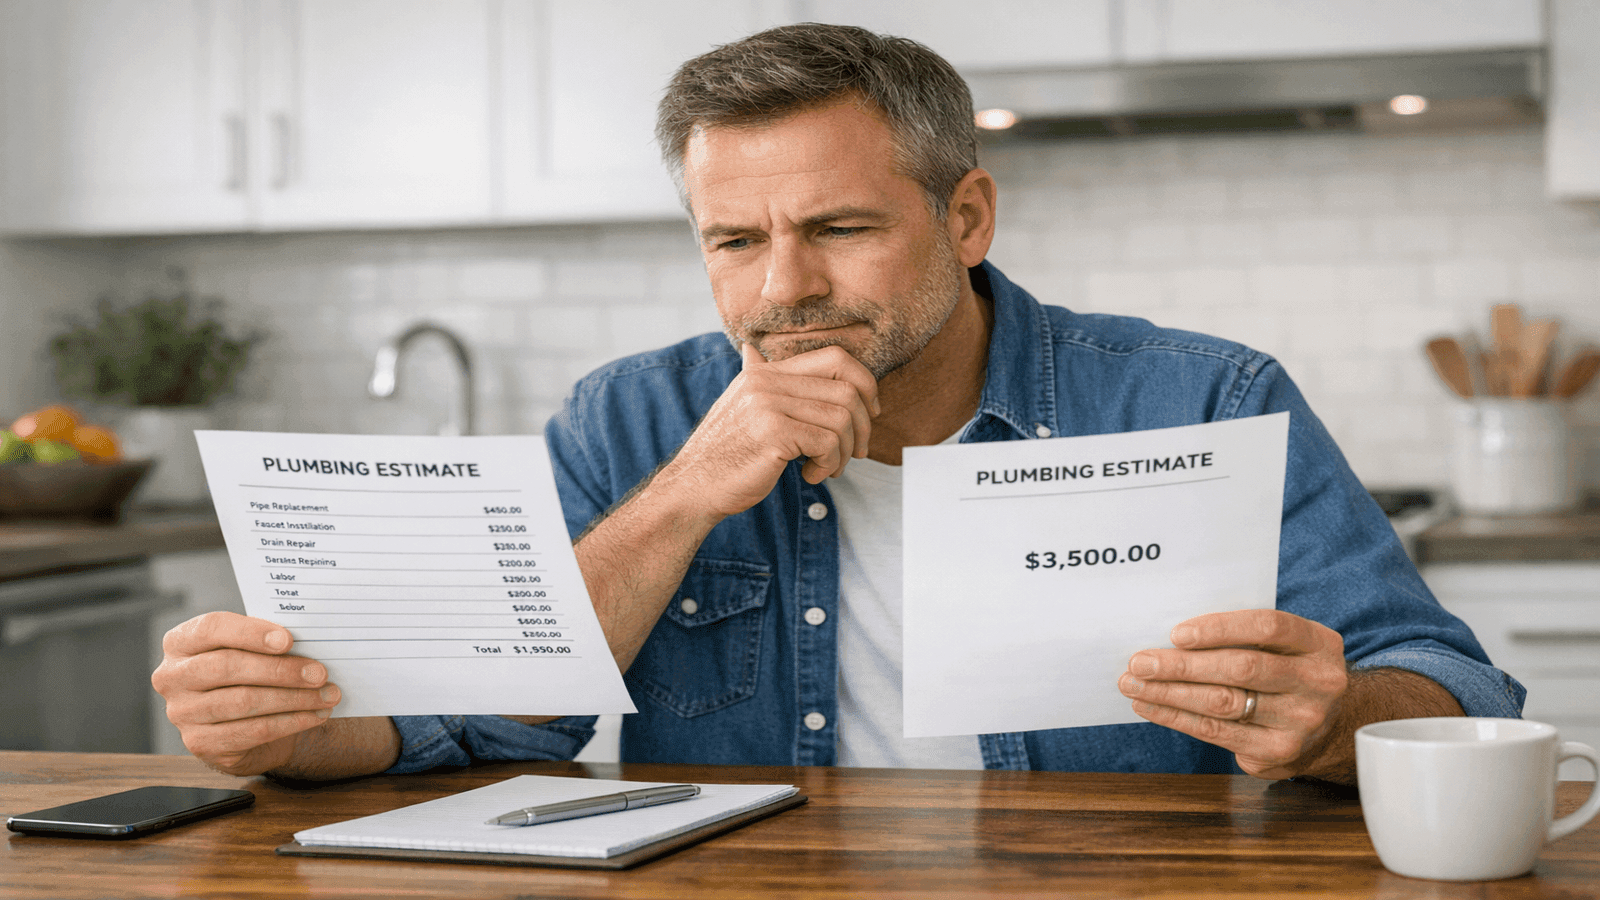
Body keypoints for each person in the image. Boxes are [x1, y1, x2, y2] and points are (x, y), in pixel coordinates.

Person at [152, 23, 1523, 785]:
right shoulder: (629, 419)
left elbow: (1455, 692)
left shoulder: (1198, 397)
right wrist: (301, 731)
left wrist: (1335, 716)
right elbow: (492, 723)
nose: (785, 289)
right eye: (734, 242)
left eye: (839, 227)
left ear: (966, 214)